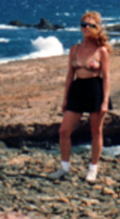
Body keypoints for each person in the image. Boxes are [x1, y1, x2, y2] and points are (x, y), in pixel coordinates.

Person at [48, 11, 112, 182]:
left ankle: (93, 169)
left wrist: (105, 101)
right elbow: (70, 75)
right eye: (84, 24)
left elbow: (106, 78)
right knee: (63, 131)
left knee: (95, 132)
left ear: (97, 28)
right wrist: (65, 99)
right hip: (77, 90)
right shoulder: (74, 49)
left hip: (94, 90)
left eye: (91, 25)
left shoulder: (102, 51)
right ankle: (64, 168)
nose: (86, 28)